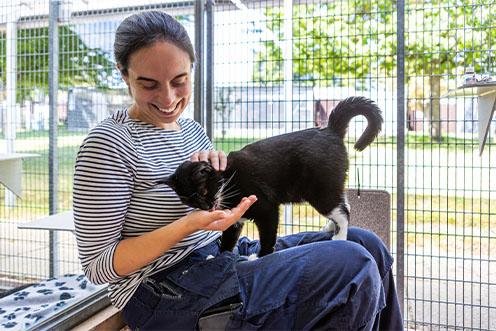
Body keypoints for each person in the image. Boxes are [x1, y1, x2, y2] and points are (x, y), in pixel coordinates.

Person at [73, 10, 404, 330]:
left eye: (180, 81)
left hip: (219, 258)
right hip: (163, 291)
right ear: (123, 73)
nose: (168, 98)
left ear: (192, 70)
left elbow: (220, 217)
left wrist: (227, 209)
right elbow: (99, 267)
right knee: (351, 265)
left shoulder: (191, 131)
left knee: (366, 244)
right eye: (149, 85)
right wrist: (188, 224)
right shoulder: (109, 143)